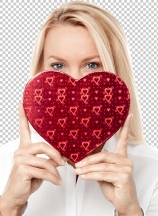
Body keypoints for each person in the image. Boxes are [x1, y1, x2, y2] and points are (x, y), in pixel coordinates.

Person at [0, 1, 158, 215]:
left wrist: (130, 210)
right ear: (39, 72)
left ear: (116, 73)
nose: (74, 81)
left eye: (92, 65)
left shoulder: (152, 169)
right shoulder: (5, 161)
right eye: (58, 65)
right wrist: (9, 206)